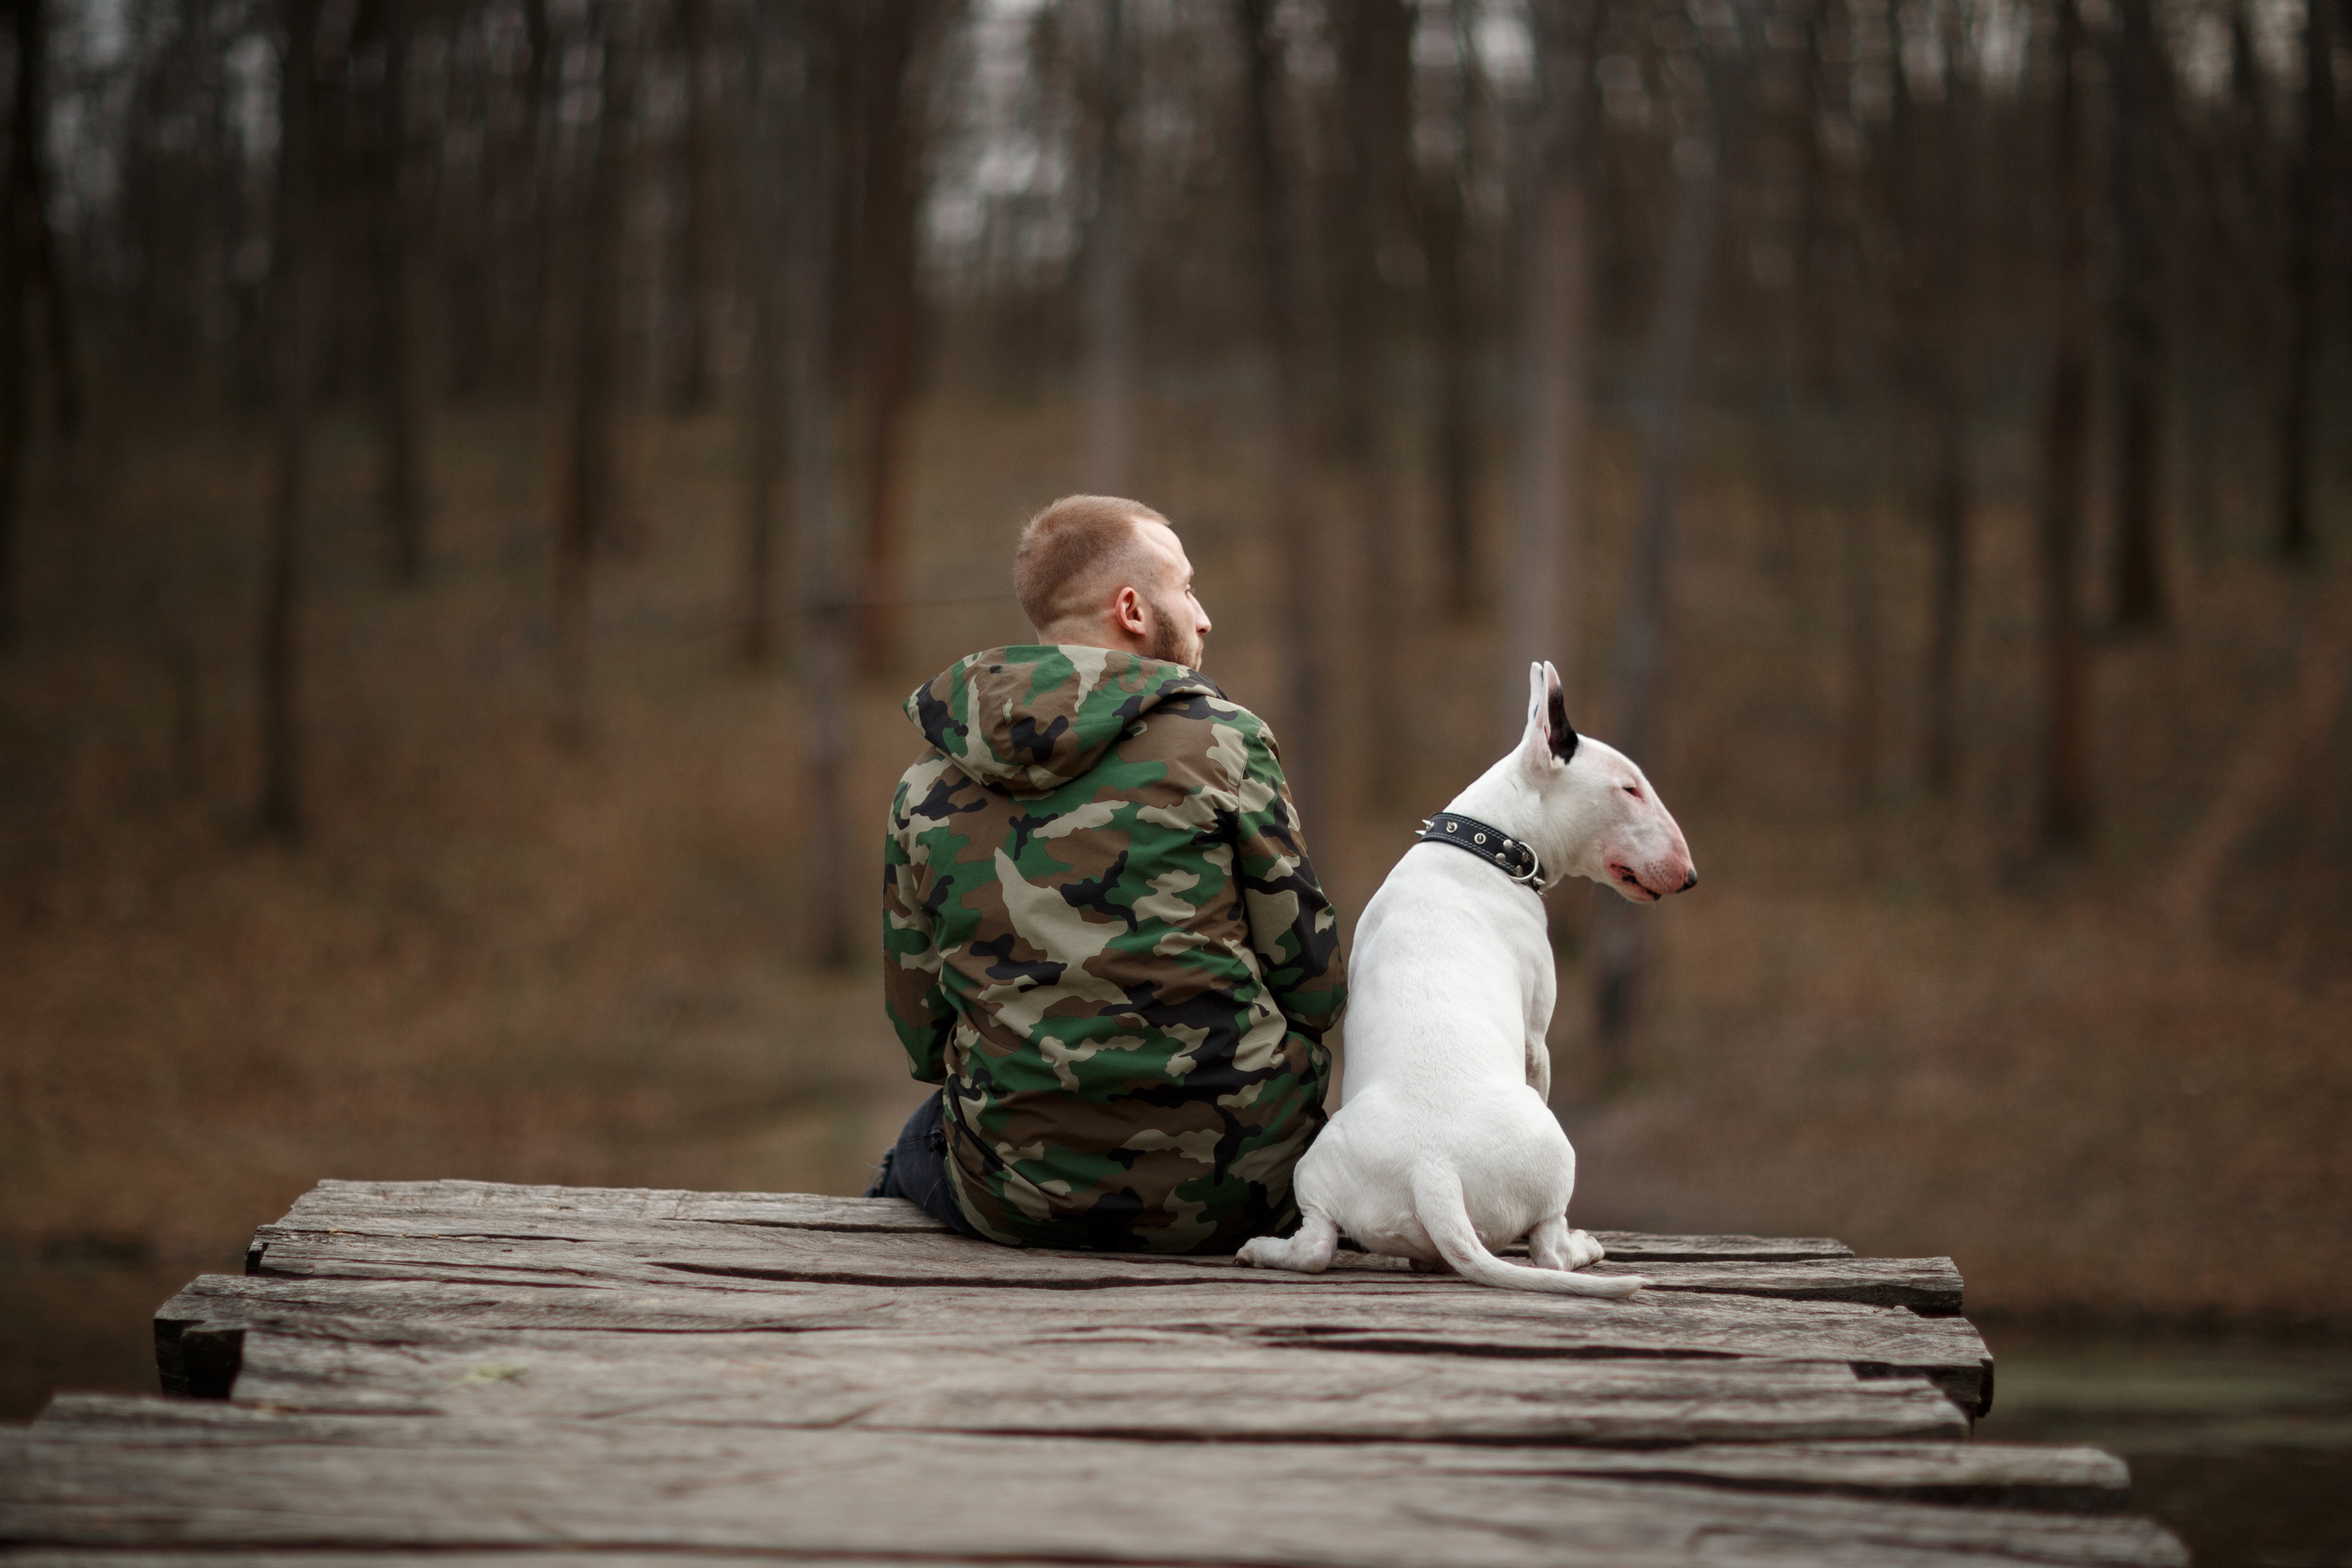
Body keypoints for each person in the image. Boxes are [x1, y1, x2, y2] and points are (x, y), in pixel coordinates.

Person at [866, 494, 1347, 1252]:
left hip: (1017, 1193)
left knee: (913, 1147)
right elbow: (1316, 987)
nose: (1202, 615)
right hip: (1245, 1187)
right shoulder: (1224, 743)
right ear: (1131, 607)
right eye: (1186, 588)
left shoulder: (924, 786)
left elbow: (922, 1039)